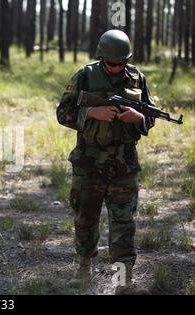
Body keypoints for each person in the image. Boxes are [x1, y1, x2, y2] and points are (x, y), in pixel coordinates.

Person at [56, 30, 155, 294]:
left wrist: (138, 118)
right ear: (101, 57)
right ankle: (84, 269)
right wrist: (92, 112)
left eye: (121, 63)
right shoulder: (85, 76)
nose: (116, 67)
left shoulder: (137, 78)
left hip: (124, 164)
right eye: (111, 63)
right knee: (85, 216)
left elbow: (151, 115)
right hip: (89, 163)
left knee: (124, 222)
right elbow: (63, 113)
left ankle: (123, 280)